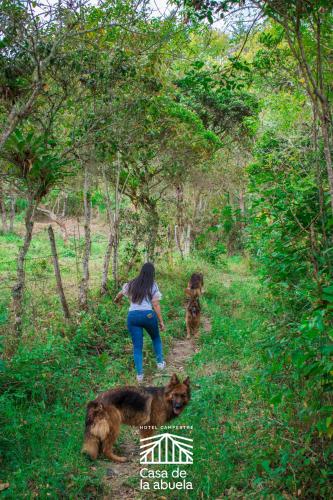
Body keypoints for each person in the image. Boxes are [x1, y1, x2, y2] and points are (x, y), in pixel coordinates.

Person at [114, 262, 166, 382]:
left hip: (132, 317)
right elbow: (156, 304)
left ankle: (139, 375)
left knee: (137, 346)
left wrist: (116, 300)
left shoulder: (131, 283)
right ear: (152, 273)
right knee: (155, 338)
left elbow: (120, 293)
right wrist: (161, 321)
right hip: (148, 315)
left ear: (141, 271)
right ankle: (160, 363)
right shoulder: (152, 285)